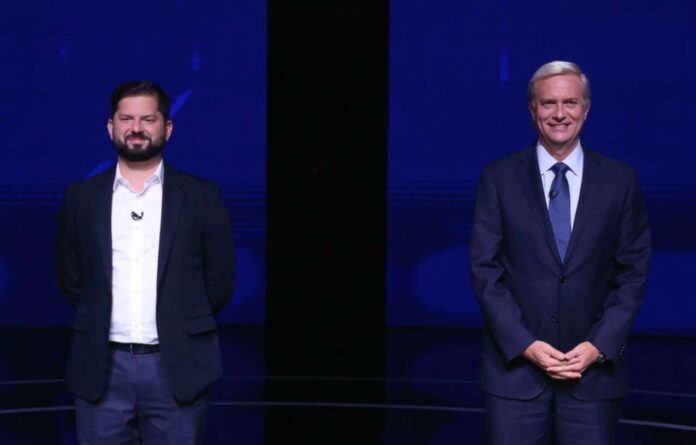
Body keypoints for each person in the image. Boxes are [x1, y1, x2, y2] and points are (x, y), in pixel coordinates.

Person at [469, 61, 650, 444]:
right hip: (514, 374)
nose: (559, 113)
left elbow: (633, 274)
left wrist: (600, 347)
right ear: (532, 109)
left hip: (594, 376)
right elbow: (484, 271)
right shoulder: (498, 178)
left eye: (570, 102)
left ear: (586, 109)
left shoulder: (620, 181)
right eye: (548, 103)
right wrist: (525, 345)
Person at [56, 80, 235, 444]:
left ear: (167, 127)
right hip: (102, 368)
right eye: (126, 119)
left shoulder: (201, 196)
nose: (136, 128)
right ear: (111, 127)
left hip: (177, 367)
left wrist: (180, 322)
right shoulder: (81, 198)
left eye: (148, 119)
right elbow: (72, 277)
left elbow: (219, 280)